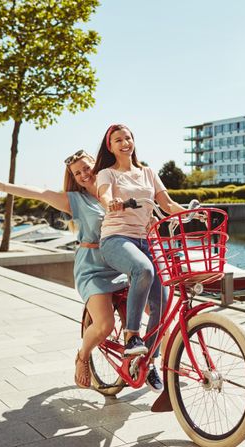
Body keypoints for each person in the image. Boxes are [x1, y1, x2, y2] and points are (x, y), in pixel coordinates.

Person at [0, 150, 127, 390]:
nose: (83, 175)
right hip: (93, 268)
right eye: (77, 173)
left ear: (97, 165)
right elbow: (41, 193)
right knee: (104, 326)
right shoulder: (74, 200)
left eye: (86, 168)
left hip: (120, 262)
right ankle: (83, 356)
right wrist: (0, 186)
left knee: (149, 309)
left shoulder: (114, 188)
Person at [93, 124, 187, 393]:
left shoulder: (148, 172)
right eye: (118, 140)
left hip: (147, 240)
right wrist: (111, 202)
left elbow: (167, 204)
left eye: (128, 138)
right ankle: (132, 337)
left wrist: (195, 213)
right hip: (116, 239)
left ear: (134, 141)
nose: (124, 143)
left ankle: (149, 362)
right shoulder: (107, 173)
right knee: (143, 269)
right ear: (110, 146)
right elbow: (104, 194)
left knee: (165, 303)